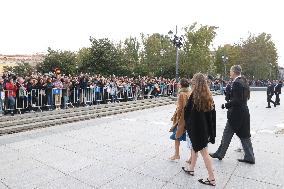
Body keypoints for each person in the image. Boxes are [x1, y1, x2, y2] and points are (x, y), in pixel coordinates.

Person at [210, 65, 255, 164]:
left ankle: (220, 154)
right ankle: (250, 157)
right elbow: (243, 98)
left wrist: (226, 105)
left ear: (234, 72)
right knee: (245, 135)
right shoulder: (243, 81)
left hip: (236, 114)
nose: (229, 73)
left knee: (227, 134)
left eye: (230, 71)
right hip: (243, 112)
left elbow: (237, 100)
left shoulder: (237, 83)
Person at [182, 73, 216, 186]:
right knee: (194, 148)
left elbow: (187, 112)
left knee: (205, 153)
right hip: (205, 129)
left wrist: (187, 125)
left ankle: (212, 178)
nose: (191, 82)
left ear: (196, 83)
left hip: (197, 129)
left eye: (193, 81)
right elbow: (212, 115)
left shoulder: (195, 96)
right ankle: (191, 169)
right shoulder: (208, 95)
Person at [169, 78, 191, 161]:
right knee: (179, 137)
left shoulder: (182, 94)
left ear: (181, 85)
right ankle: (178, 155)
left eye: (179, 83)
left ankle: (177, 154)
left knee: (177, 136)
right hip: (187, 118)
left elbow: (181, 108)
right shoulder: (189, 92)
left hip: (182, 119)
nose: (178, 84)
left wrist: (176, 117)